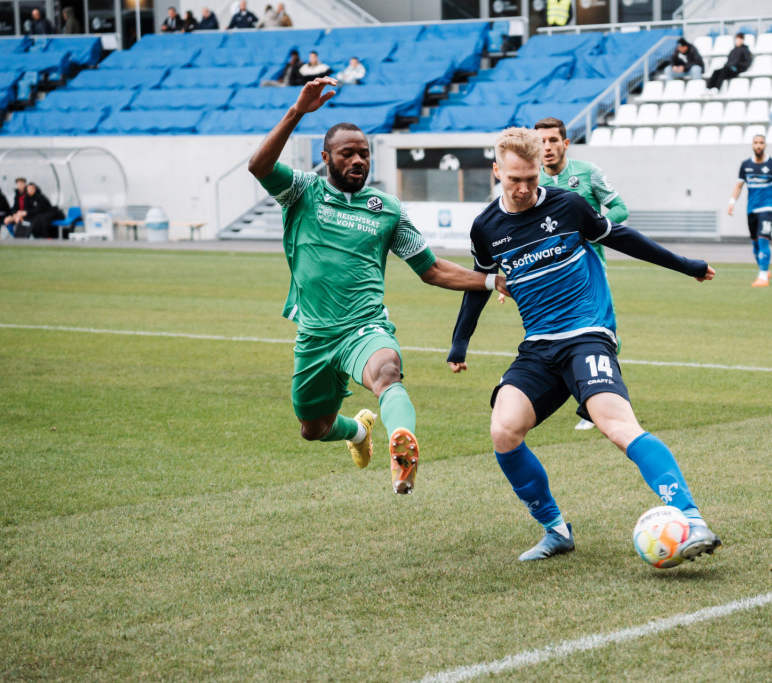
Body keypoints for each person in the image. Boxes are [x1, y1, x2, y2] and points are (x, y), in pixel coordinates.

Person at [446, 127, 721, 562]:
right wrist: (460, 342)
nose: (523, 189)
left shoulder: (568, 205)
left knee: (616, 425)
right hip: (537, 346)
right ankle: (555, 530)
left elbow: (622, 237)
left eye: (531, 179)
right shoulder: (486, 227)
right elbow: (479, 284)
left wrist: (685, 265)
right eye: (514, 179)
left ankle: (691, 517)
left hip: (586, 335)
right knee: (504, 431)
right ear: (496, 170)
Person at [246, 76, 510, 496]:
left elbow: (431, 268)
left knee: (387, 372)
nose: (358, 161)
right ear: (326, 157)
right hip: (314, 335)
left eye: (364, 154)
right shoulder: (302, 192)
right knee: (313, 429)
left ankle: (402, 448)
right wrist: (297, 112)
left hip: (364, 329)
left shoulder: (386, 210)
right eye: (347, 153)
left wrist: (492, 279)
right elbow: (258, 167)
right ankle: (357, 432)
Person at [533, 116, 629, 431]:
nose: (546, 148)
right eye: (541, 142)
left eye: (552, 141)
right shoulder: (530, 180)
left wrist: (591, 228)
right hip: (548, 276)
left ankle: (598, 402)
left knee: (599, 334)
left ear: (565, 143)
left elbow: (619, 209)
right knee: (558, 338)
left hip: (589, 272)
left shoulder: (588, 173)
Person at [728, 134, 772, 288]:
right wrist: (732, 202)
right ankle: (764, 269)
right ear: (752, 145)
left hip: (767, 208)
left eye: (761, 143)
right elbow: (739, 186)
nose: (758, 145)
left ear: (765, 145)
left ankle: (762, 277)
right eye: (756, 143)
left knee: (763, 239)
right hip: (751, 209)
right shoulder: (745, 165)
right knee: (755, 243)